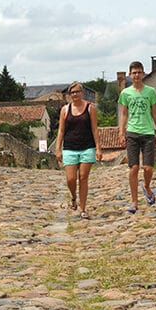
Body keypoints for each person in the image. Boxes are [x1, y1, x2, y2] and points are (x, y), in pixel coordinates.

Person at [118, 61, 156, 214]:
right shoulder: (125, 93)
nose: (136, 75)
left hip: (148, 132)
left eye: (139, 72)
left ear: (143, 74)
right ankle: (134, 202)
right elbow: (124, 114)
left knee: (148, 168)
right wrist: (121, 132)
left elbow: (155, 112)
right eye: (134, 72)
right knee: (134, 167)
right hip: (132, 132)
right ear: (130, 75)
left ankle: (147, 187)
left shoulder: (151, 92)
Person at [55, 81, 102, 219]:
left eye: (77, 91)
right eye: (72, 92)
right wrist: (58, 149)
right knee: (71, 179)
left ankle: (83, 208)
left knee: (83, 178)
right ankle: (73, 197)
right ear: (69, 95)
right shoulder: (65, 110)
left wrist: (98, 148)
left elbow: (94, 129)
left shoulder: (90, 108)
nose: (75, 94)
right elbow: (61, 130)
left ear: (82, 93)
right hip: (70, 148)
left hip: (87, 147)